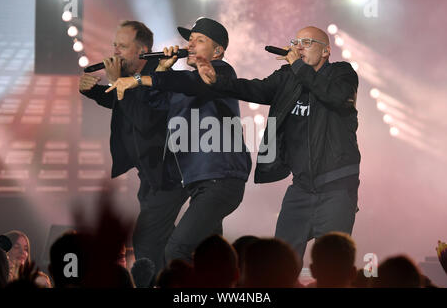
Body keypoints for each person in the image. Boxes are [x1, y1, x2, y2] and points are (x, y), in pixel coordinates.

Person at [194, 26, 361, 261]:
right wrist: (216, 81)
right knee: (282, 259)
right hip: (301, 188)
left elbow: (335, 96)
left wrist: (297, 66)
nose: (298, 47)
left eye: (307, 42)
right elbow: (254, 88)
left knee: (332, 265)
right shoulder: (288, 77)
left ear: (326, 51)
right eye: (296, 42)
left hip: (336, 187)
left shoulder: (342, 73)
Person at [107, 18, 251, 267]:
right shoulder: (183, 84)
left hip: (221, 179)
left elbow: (191, 82)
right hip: (200, 184)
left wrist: (140, 79)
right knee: (209, 256)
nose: (191, 45)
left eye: (200, 40)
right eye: (190, 40)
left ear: (218, 51)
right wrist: (162, 67)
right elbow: (151, 104)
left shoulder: (222, 72)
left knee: (176, 249)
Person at [79, 20, 188, 277]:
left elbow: (145, 118)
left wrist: (116, 81)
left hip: (170, 174)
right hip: (151, 175)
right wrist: (94, 91)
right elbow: (124, 106)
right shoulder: (130, 79)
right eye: (114, 45)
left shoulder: (159, 77)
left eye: (123, 46)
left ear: (142, 51)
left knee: (146, 239)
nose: (115, 51)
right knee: (160, 241)